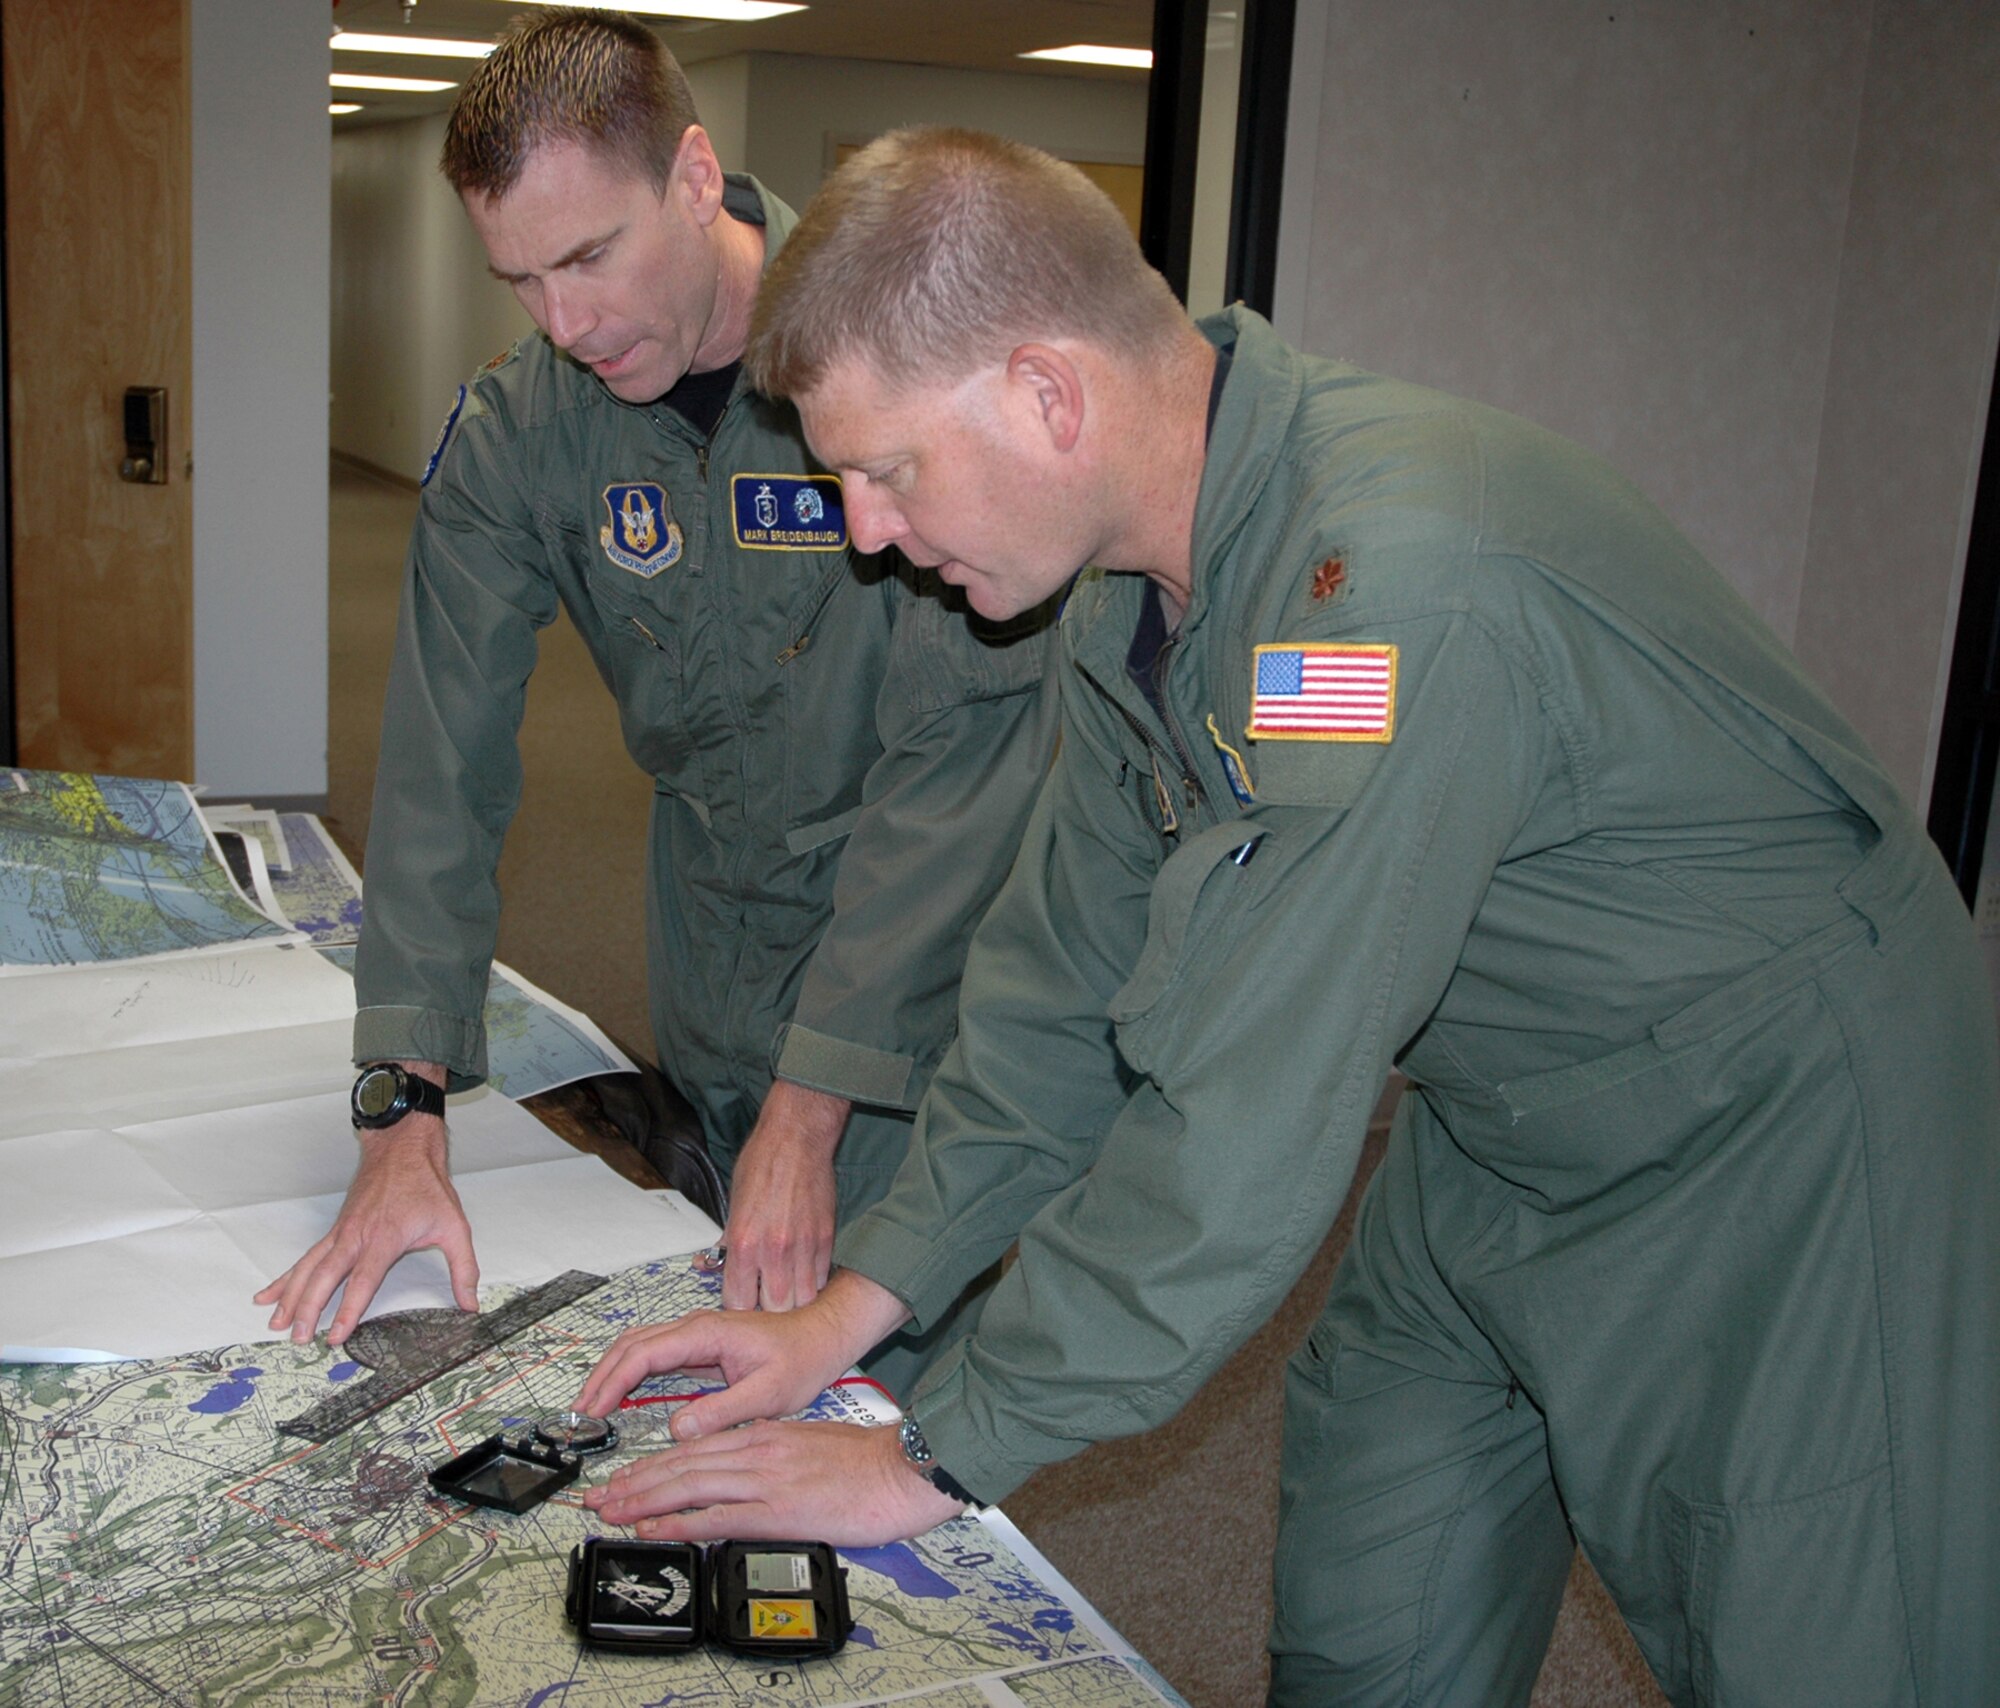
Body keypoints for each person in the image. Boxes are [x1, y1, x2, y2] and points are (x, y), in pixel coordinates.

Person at [568, 128, 2000, 1706]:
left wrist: (937, 1452)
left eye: (883, 470)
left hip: (1773, 1131)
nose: (863, 533)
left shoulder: (1386, 605)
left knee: (1816, 1630)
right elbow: (1056, 991)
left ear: (1048, 395)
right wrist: (858, 1305)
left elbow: (1243, 1123)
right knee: (1374, 1592)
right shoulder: (1124, 581)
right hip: (1497, 1110)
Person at [256, 25, 1055, 1392]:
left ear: (696, 178)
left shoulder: (900, 373)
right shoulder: (524, 435)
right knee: (709, 1368)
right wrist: (403, 1112)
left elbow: (954, 776)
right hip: (703, 946)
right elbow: (438, 770)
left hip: (919, 962)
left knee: (880, 1396)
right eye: (519, 278)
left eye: (587, 258)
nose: (563, 323)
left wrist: (809, 1118)